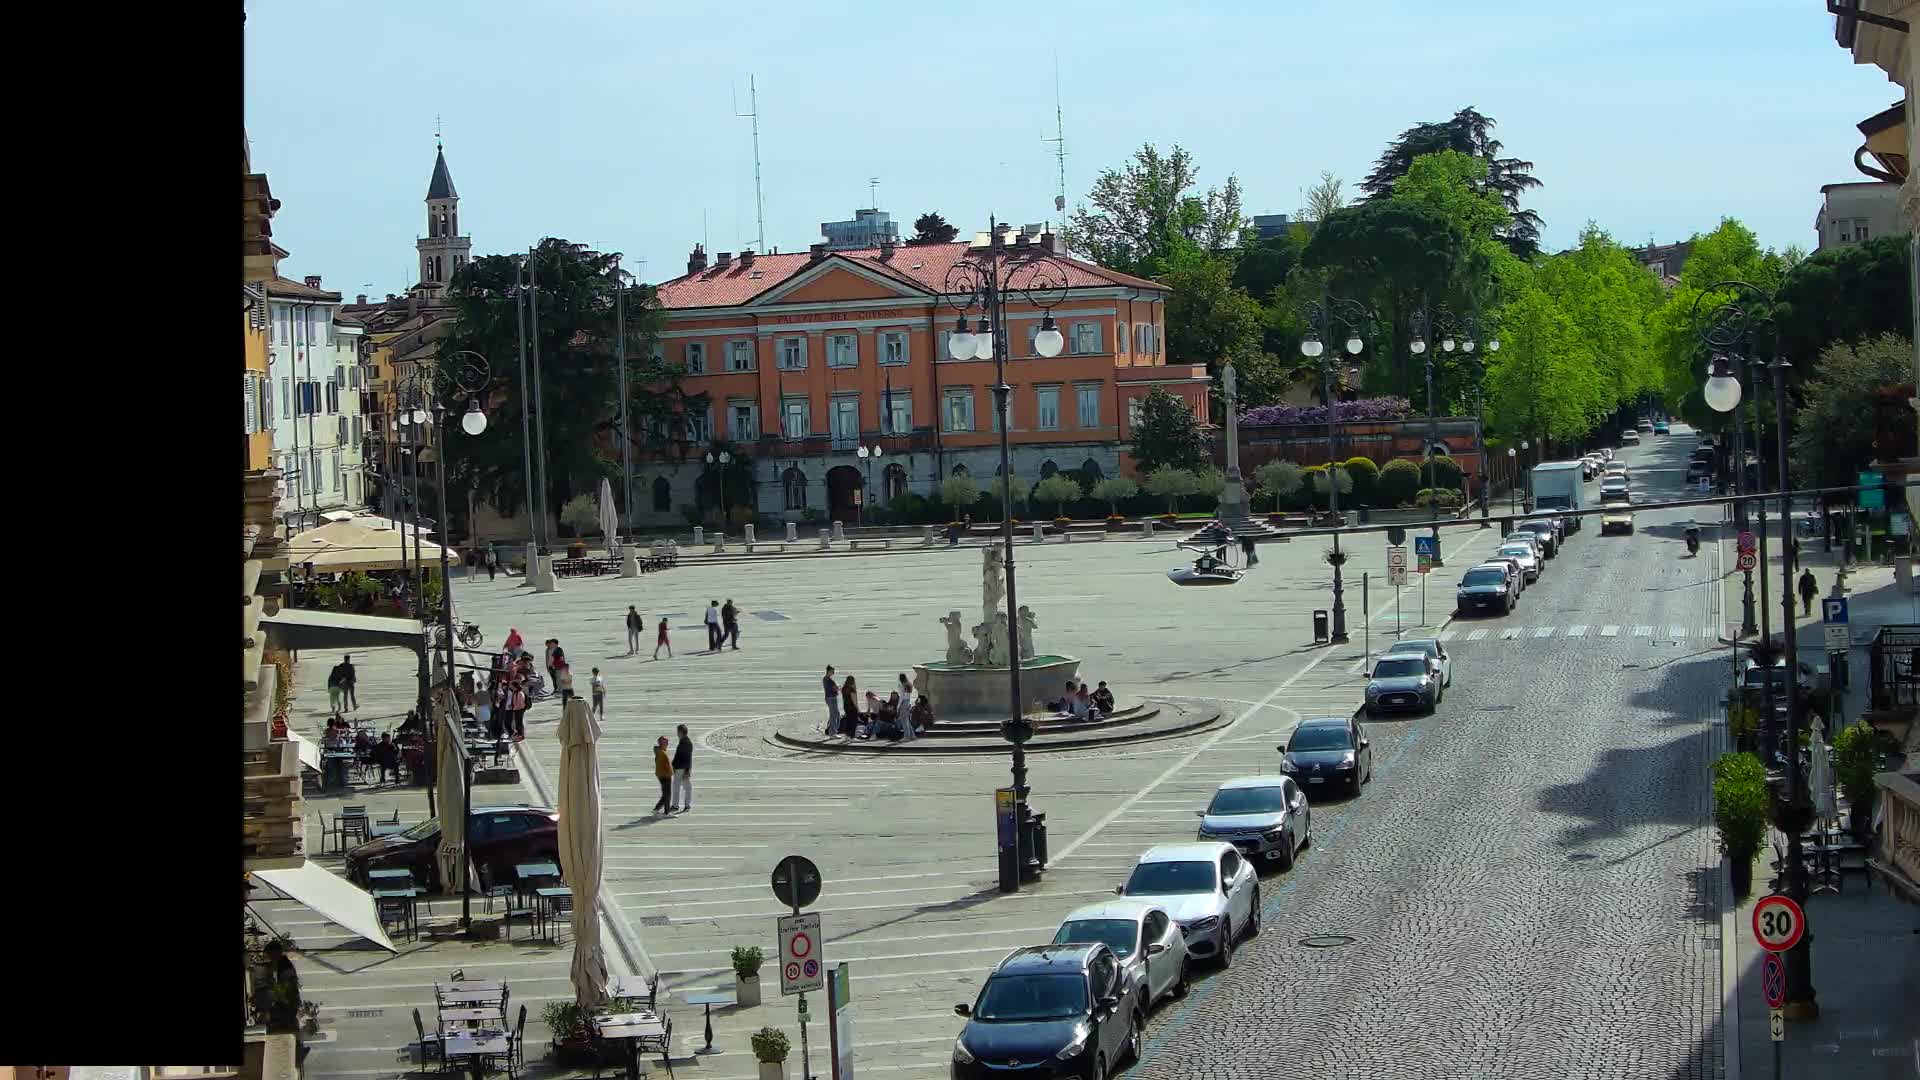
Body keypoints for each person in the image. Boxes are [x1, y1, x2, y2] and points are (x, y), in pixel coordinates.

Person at [670, 724, 693, 811]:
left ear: (681, 732)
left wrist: (687, 771)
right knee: (686, 787)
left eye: (678, 732)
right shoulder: (685, 742)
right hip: (683, 768)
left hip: (681, 768)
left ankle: (676, 806)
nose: (677, 734)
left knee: (678, 787)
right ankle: (686, 805)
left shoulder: (685, 743)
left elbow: (685, 757)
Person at [651, 735, 674, 815]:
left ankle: (667, 812)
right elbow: (664, 766)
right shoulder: (662, 753)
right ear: (661, 743)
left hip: (664, 775)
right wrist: (670, 773)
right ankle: (656, 809)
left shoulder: (661, 751)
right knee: (666, 795)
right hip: (665, 776)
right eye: (666, 742)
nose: (667, 743)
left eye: (667, 742)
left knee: (667, 794)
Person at [823, 666, 841, 736]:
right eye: (833, 671)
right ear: (829, 671)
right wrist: (839, 687)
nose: (834, 672)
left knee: (833, 715)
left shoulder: (825, 679)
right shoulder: (829, 680)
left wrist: (837, 687)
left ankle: (831, 730)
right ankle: (833, 732)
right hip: (832, 699)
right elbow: (836, 689)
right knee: (835, 715)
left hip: (828, 698)